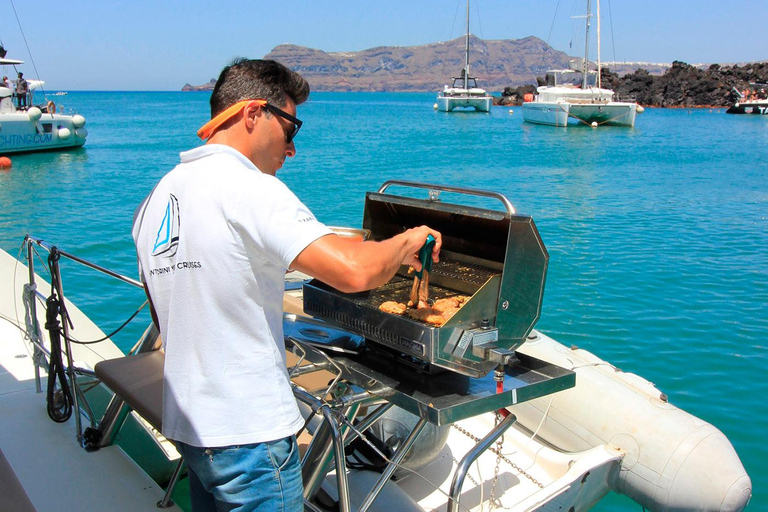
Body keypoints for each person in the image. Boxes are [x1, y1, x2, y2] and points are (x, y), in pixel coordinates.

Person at [132, 58, 441, 512]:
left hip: (193, 429)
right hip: (250, 436)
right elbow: (354, 272)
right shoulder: (249, 187)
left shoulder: (158, 197)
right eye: (292, 128)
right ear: (254, 113)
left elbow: (166, 312)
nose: (292, 149)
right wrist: (409, 239)